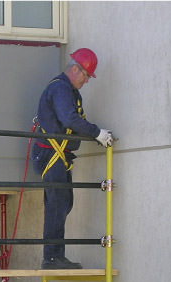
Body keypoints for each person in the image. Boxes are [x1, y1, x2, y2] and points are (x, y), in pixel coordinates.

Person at [32, 48, 114, 270]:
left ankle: (55, 255)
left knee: (63, 202)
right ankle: (51, 257)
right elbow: (69, 119)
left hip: (57, 154)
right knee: (58, 204)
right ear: (75, 69)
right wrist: (96, 133)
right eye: (86, 75)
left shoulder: (66, 89)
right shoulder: (61, 88)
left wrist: (94, 134)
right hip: (51, 154)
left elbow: (71, 121)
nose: (87, 81)